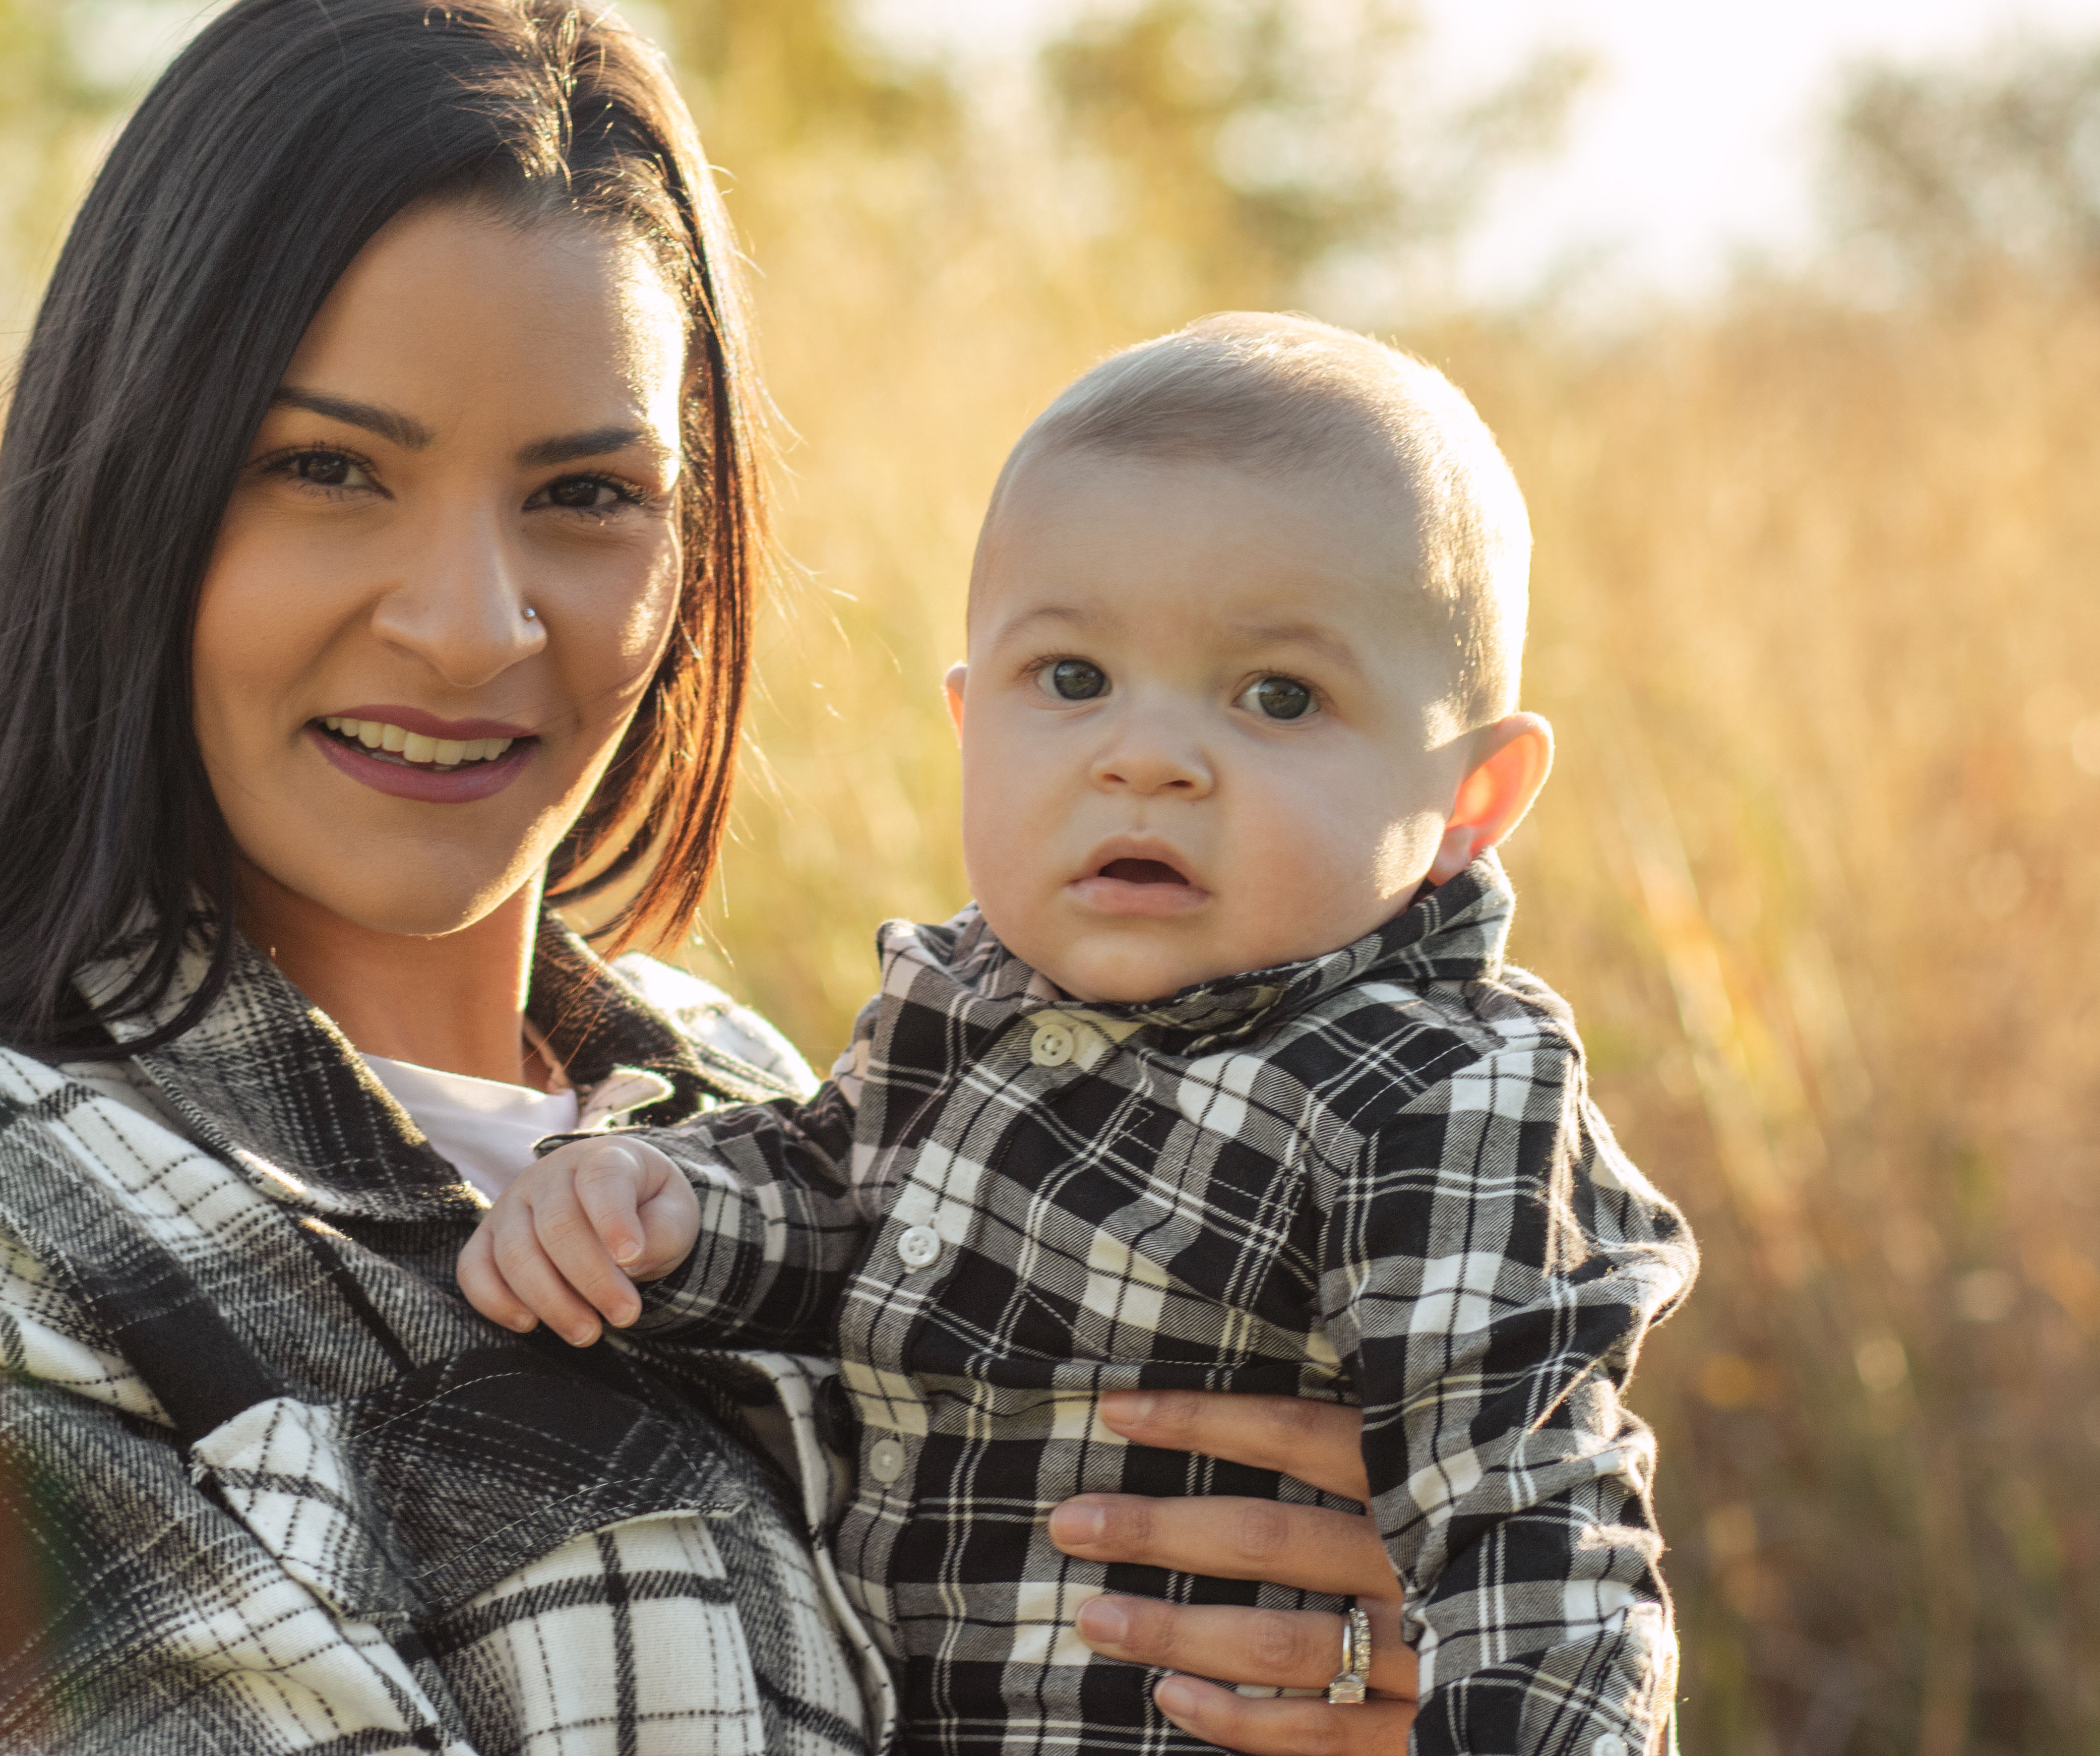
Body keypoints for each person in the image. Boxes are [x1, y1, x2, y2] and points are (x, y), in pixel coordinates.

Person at [0, 0, 1428, 1755]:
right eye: (327, 470)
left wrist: (1388, 1682)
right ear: (131, 496)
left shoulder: (785, 1114)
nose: (468, 626)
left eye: (587, 496)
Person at [462, 315, 1700, 1753]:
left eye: (1278, 696)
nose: (1147, 756)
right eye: (1071, 680)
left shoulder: (1424, 1091)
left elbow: (1525, 1532)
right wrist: (663, 1214)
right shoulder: (965, 1009)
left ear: (1472, 803)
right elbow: (836, 1214)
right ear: (970, 720)